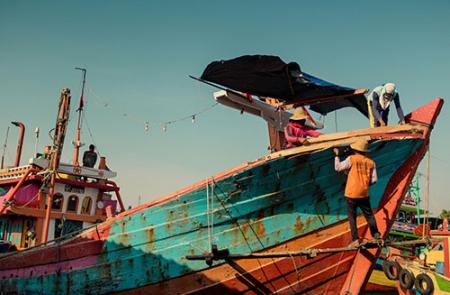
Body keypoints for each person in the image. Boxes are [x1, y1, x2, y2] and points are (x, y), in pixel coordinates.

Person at [333, 139, 381, 247]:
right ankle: (376, 235)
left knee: (352, 217)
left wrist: (336, 156)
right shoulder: (371, 162)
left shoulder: (351, 159)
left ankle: (355, 240)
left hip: (351, 193)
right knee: (369, 216)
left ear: (354, 149)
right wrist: (364, 185)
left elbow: (338, 168)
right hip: (364, 193)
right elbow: (374, 180)